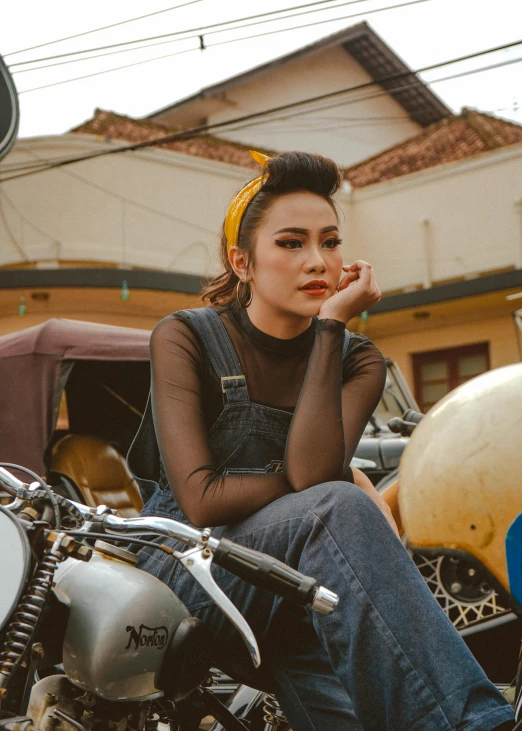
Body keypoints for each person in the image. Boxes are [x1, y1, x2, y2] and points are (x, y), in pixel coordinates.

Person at [128, 150, 515, 730]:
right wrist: (346, 478)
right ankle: (475, 724)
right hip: (191, 574)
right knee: (341, 502)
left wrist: (332, 330)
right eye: (290, 243)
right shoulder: (186, 337)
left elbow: (311, 475)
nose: (317, 261)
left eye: (330, 242)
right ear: (243, 262)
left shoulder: (360, 361)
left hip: (298, 597)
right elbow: (206, 499)